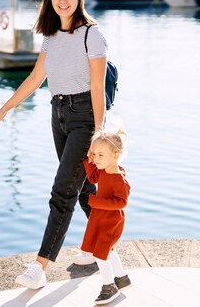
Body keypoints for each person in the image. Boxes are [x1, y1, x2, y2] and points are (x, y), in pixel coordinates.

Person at [0, 0, 108, 289]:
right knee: (83, 190)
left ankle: (40, 267)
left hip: (84, 117)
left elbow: (97, 85)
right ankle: (103, 252)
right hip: (59, 115)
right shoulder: (51, 35)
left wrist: (99, 130)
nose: (63, 0)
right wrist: (3, 109)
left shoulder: (91, 34)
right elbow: (35, 78)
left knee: (63, 192)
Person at [81, 129, 131, 305]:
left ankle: (109, 287)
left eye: (101, 154)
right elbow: (93, 177)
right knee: (106, 252)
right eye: (94, 154)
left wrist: (96, 202)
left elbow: (121, 203)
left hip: (111, 221)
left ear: (115, 156)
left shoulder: (119, 180)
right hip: (100, 218)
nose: (96, 158)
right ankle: (122, 278)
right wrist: (89, 161)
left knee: (100, 255)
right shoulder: (102, 170)